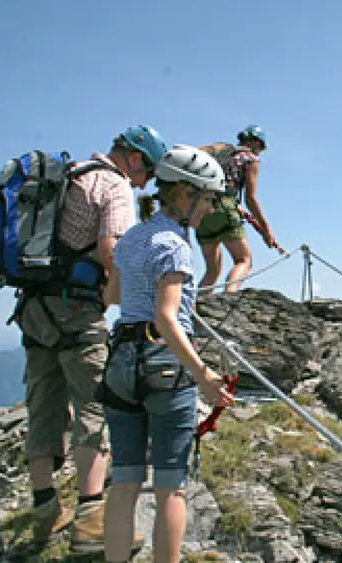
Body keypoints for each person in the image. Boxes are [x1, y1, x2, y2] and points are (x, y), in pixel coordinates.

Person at [12, 125, 168, 551]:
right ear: (135, 158)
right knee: (93, 405)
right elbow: (110, 248)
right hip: (77, 309)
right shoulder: (113, 183)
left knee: (42, 403)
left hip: (33, 306)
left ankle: (45, 509)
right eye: (147, 172)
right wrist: (129, 293)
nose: (145, 182)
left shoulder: (70, 175)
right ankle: (90, 515)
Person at [99, 144, 235, 563]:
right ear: (184, 192)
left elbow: (113, 295)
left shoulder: (132, 238)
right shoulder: (174, 246)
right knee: (170, 487)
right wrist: (204, 376)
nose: (209, 206)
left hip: (121, 359)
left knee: (123, 484)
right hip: (164, 364)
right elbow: (165, 316)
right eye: (208, 197)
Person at [196, 125, 285, 295]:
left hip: (201, 210)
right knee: (243, 260)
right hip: (225, 208)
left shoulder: (223, 153)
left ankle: (194, 311)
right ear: (256, 143)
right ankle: (229, 297)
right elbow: (250, 198)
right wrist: (266, 230)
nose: (259, 153)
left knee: (212, 271)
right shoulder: (250, 159)